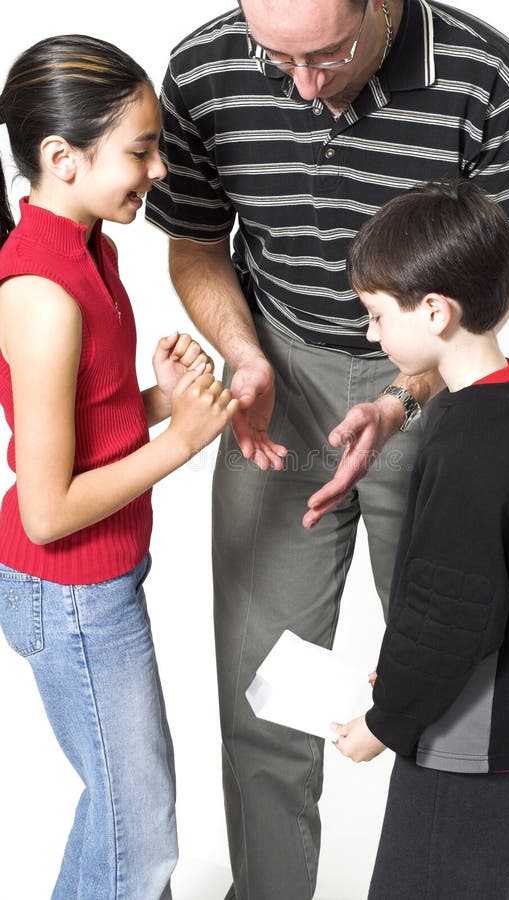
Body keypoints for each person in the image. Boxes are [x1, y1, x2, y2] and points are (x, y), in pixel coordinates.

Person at [145, 1, 509, 897]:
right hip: (275, 384)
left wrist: (405, 398)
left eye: (328, 53)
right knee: (264, 701)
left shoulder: (481, 72)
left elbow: (488, 280)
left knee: (460, 692)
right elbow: (195, 239)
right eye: (275, 57)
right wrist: (244, 357)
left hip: (426, 389)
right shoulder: (205, 66)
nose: (304, 85)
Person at [0, 34, 237, 900]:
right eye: (140, 150)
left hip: (95, 582)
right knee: (137, 842)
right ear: (62, 158)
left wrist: (161, 401)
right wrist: (178, 446)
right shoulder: (42, 292)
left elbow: (82, 428)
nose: (162, 170)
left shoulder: (88, 248)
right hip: (67, 590)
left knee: (125, 820)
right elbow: (47, 510)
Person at [332, 179, 509, 900]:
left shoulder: (471, 444)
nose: (371, 335)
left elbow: (448, 613)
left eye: (375, 315)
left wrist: (386, 718)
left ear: (433, 311)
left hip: (462, 743)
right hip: (498, 729)